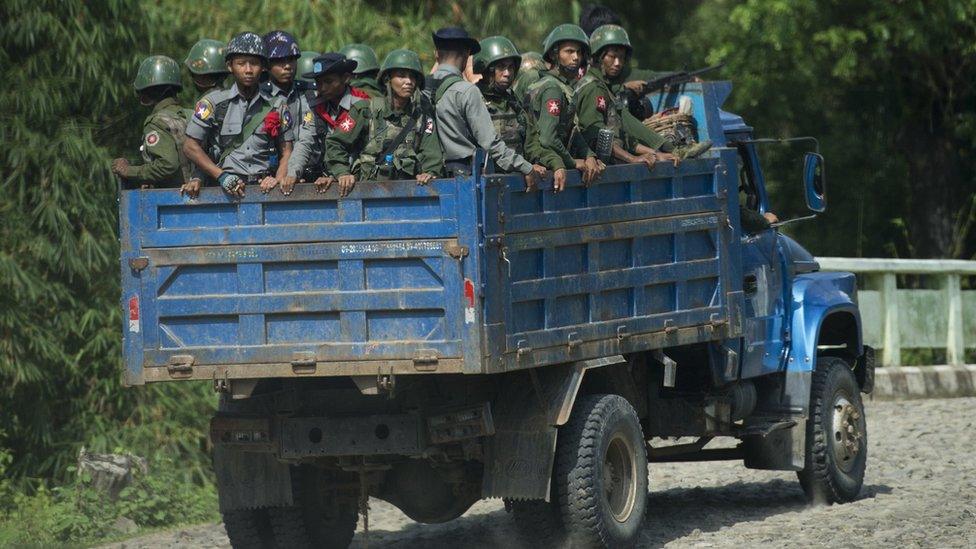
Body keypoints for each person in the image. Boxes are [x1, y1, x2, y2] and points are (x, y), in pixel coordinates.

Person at [426, 27, 546, 188]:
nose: (507, 73)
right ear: (466, 55)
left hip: (432, 177)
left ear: (436, 54)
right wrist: (526, 167)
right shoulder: (467, 91)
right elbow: (490, 143)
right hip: (466, 177)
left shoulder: (421, 88)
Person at [183, 31, 294, 198]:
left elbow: (287, 151)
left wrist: (278, 180)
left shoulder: (277, 106)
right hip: (224, 191)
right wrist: (222, 176)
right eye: (241, 64)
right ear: (230, 66)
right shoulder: (213, 103)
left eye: (254, 64)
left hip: (265, 189)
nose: (248, 70)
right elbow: (190, 147)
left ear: (263, 67)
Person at [325, 49, 442, 197]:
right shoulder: (365, 110)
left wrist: (429, 173)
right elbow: (335, 143)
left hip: (408, 195)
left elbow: (432, 154)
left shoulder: (422, 117)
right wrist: (343, 173)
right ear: (387, 79)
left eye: (413, 77)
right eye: (401, 76)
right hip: (367, 193)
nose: (409, 82)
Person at [575, 24, 677, 169]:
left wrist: (655, 153)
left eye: (622, 58)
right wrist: (632, 159)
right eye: (612, 56)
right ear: (598, 57)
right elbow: (597, 135)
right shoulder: (593, 87)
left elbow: (623, 134)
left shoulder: (602, 86)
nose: (618, 63)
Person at [473, 36, 561, 185]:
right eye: (501, 67)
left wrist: (556, 163)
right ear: (487, 70)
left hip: (519, 180)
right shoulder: (474, 99)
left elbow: (531, 143)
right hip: (489, 184)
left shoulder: (513, 101)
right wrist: (525, 167)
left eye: (511, 67)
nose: (507, 73)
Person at [526, 24, 603, 190]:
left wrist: (589, 155)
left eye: (579, 52)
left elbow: (570, 129)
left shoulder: (562, 86)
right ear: (555, 55)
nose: (576, 57)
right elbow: (548, 139)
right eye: (569, 51)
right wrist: (573, 162)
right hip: (544, 162)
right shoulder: (552, 89)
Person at [285, 53, 370, 193]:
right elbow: (305, 141)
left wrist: (339, 174)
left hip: (359, 176)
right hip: (332, 175)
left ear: (345, 78)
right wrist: (293, 173)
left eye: (329, 81)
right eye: (318, 83)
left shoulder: (361, 104)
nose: (322, 88)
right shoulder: (314, 108)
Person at [111, 55, 193, 190]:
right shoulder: (192, 115)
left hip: (175, 199)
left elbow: (168, 165)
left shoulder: (156, 122)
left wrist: (129, 171)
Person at [261, 31, 311, 144]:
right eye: (279, 61)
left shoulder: (309, 93)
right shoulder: (260, 96)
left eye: (291, 60)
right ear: (266, 64)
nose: (287, 66)